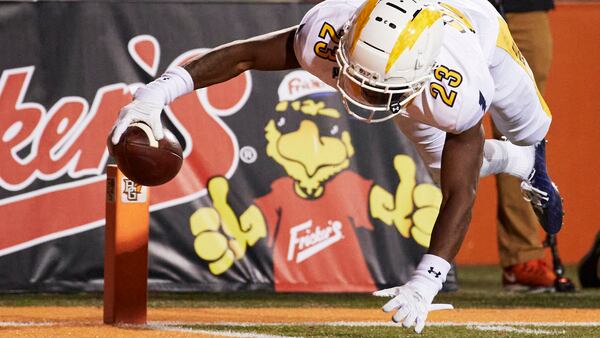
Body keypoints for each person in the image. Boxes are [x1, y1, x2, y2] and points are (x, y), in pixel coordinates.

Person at [110, 0, 564, 333]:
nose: (361, 97)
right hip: (405, 66)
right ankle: (515, 160)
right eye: (357, 78)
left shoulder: (456, 88)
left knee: (530, 128)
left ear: (420, 74)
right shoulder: (330, 31)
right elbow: (243, 54)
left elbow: (460, 194)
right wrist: (157, 94)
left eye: (376, 89)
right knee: (435, 164)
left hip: (477, 26)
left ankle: (527, 158)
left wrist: (426, 281)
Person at [492, 0, 558, 292]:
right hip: (455, 10)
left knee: (522, 134)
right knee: (442, 122)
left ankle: (523, 257)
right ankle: (422, 250)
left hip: (525, 8)